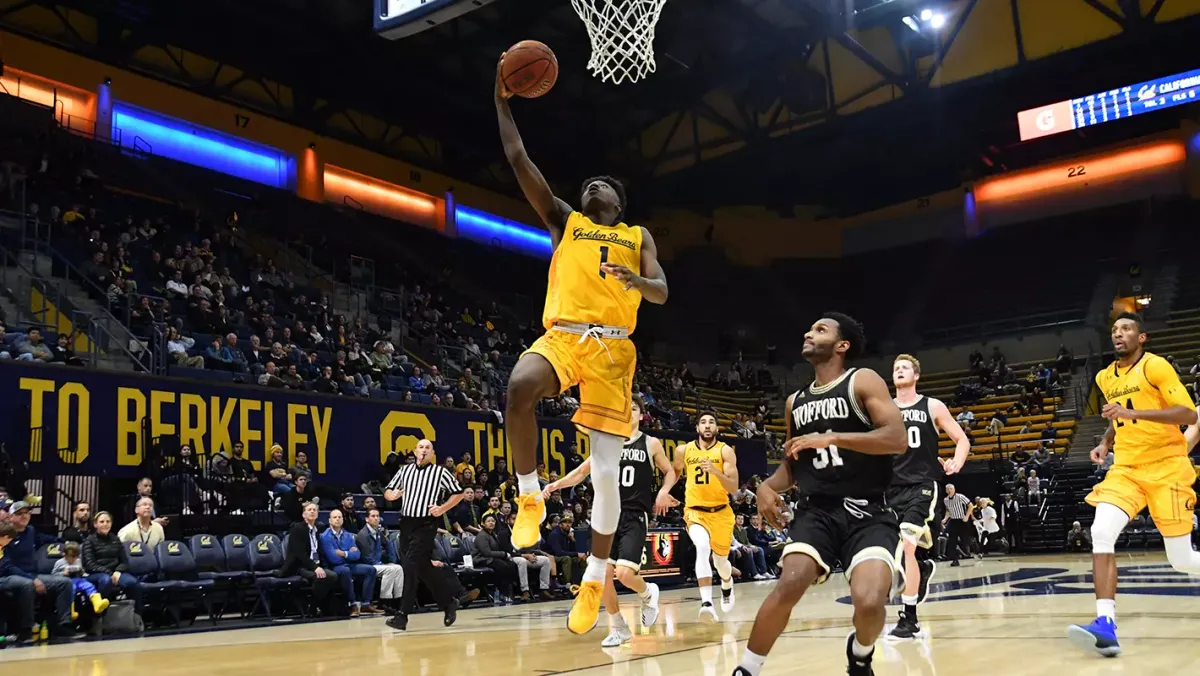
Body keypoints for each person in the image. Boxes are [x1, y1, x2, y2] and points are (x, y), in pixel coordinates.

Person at [495, 53, 669, 636]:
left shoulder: (635, 234)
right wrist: (502, 101)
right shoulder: (565, 221)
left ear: (617, 204)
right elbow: (520, 159)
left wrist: (637, 282)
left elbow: (663, 291)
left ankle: (596, 574)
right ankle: (528, 496)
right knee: (519, 389)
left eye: (604, 185)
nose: (592, 185)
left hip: (615, 352)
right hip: (565, 336)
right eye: (587, 183)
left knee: (604, 474)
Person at [735, 313, 905, 676]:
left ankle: (860, 654)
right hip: (817, 512)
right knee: (790, 582)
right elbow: (793, 467)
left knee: (871, 601)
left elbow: (897, 438)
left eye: (820, 330)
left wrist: (833, 437)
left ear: (842, 346)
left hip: (869, 512)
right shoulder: (795, 402)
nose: (808, 333)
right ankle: (746, 670)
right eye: (810, 329)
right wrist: (765, 486)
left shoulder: (863, 380)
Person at [1069, 313, 1200, 657]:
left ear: (1142, 337)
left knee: (1182, 560)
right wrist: (1105, 442)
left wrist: (1132, 416)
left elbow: (1187, 414)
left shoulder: (1155, 367)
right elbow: (1120, 414)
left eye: (1126, 329)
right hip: (1126, 468)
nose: (1118, 334)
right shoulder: (1103, 376)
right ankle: (1105, 625)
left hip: (1167, 467)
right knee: (1101, 532)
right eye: (1114, 330)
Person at [543, 397, 680, 646]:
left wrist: (663, 491)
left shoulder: (650, 443)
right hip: (606, 515)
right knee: (605, 575)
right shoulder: (607, 444)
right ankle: (619, 627)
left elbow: (670, 471)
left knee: (625, 574)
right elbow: (582, 471)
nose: (628, 413)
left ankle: (648, 592)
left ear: (641, 416)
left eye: (634, 409)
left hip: (634, 515)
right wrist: (556, 484)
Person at [887, 353, 971, 640]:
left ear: (916, 375)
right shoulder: (884, 409)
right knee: (895, 552)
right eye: (896, 368)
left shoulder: (932, 405)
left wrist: (956, 461)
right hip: (891, 487)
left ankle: (909, 618)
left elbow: (962, 439)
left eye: (905, 367)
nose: (899, 371)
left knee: (908, 545)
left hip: (922, 484)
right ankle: (921, 569)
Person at [383, 439, 467, 631]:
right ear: (415, 451)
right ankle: (449, 602)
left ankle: (402, 615)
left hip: (426, 524)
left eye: (427, 448)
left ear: (432, 453)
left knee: (410, 566)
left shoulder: (440, 472)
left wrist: (442, 508)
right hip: (406, 524)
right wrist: (392, 496)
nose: (423, 450)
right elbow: (388, 490)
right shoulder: (405, 470)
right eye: (420, 447)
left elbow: (459, 493)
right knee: (423, 569)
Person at [673, 412, 739, 624]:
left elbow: (733, 488)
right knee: (701, 547)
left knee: (721, 563)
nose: (707, 426)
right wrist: (665, 492)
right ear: (697, 428)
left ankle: (727, 583)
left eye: (711, 422)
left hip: (721, 512)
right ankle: (707, 603)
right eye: (703, 422)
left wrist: (715, 472)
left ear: (717, 429)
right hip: (695, 511)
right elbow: (673, 474)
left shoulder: (725, 451)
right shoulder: (683, 450)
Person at [280, 501, 341, 614]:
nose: (312, 511)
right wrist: (315, 567)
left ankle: (316, 604)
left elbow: (318, 551)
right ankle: (312, 607)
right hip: (298, 565)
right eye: (309, 510)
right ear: (304, 515)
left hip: (313, 564)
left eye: (314, 510)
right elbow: (300, 553)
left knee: (333, 575)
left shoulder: (316, 529)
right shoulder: (297, 528)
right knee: (323, 577)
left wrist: (321, 566)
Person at [321, 508, 381, 616]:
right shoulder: (325, 537)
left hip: (350, 564)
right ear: (330, 520)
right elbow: (333, 558)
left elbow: (357, 555)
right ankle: (352, 604)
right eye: (335, 517)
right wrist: (349, 552)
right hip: (335, 567)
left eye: (339, 517)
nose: (338, 519)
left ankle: (366, 604)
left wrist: (344, 553)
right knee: (345, 570)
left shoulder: (348, 535)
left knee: (371, 570)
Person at [356, 507, 405, 614]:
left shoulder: (378, 531)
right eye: (373, 516)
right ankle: (384, 602)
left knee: (398, 568)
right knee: (390, 570)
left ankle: (398, 600)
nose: (376, 518)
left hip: (377, 564)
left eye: (377, 516)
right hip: (367, 565)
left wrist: (392, 560)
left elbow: (389, 545)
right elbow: (366, 557)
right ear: (367, 519)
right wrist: (382, 564)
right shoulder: (362, 535)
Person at [52, 541, 110, 617]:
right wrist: (63, 573)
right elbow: (53, 575)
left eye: (76, 556)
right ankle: (71, 611)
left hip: (78, 579)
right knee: (71, 589)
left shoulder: (78, 561)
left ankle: (97, 603)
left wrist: (82, 572)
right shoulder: (59, 563)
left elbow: (83, 572)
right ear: (65, 555)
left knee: (89, 585)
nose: (74, 559)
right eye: (72, 557)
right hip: (66, 581)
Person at [940, 484, 974, 566]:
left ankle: (969, 553)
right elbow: (948, 510)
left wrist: (967, 516)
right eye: (947, 489)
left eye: (951, 489)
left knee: (965, 540)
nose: (949, 490)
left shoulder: (960, 496)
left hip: (962, 520)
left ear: (954, 489)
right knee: (952, 541)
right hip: (953, 521)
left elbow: (970, 505)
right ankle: (955, 559)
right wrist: (945, 519)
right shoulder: (946, 500)